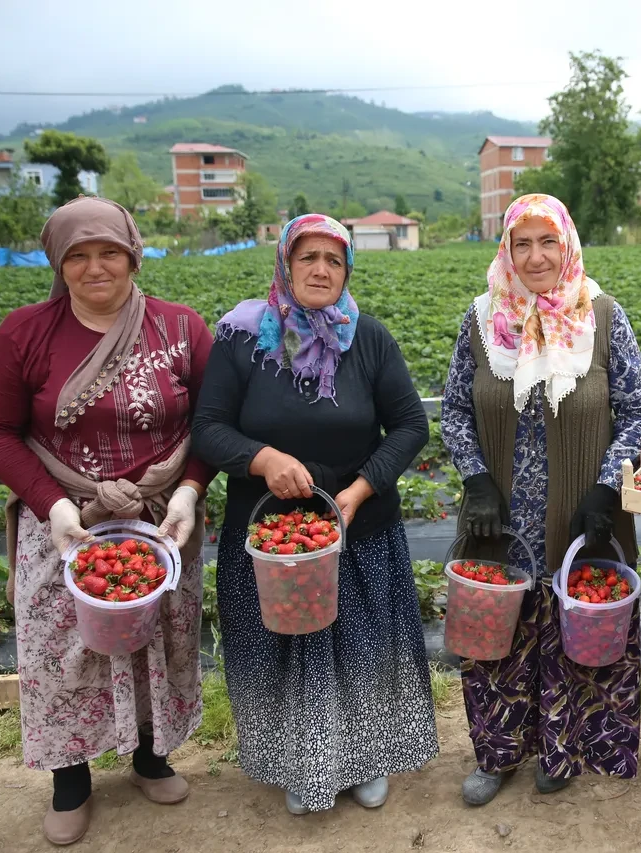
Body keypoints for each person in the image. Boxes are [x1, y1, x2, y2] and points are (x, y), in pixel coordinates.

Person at [0, 197, 213, 846]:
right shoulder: (24, 334)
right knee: (63, 650)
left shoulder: (181, 328)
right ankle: (70, 778)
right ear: (58, 263)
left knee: (160, 641)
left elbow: (211, 428)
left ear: (134, 253)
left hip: (162, 522)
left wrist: (190, 491)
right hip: (64, 521)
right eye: (76, 255)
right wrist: (50, 503)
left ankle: (150, 755)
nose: (95, 266)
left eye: (109, 251)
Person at [191, 213, 437, 815]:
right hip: (271, 534)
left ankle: (367, 757)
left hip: (358, 527)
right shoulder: (242, 340)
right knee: (285, 648)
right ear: (285, 264)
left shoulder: (368, 338)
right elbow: (208, 429)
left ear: (347, 270)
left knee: (359, 645)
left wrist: (358, 491)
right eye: (308, 258)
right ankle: (301, 765)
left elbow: (410, 426)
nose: (321, 270)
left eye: (334, 259)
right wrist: (261, 458)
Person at [441, 193, 641, 805]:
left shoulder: (604, 317)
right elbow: (455, 407)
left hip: (579, 514)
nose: (536, 257)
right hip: (499, 516)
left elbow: (637, 410)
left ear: (568, 245)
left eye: (547, 242)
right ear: (507, 250)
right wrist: (476, 478)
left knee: (578, 632)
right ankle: (497, 752)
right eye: (522, 244)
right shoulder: (481, 320)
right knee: (494, 638)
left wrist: (607, 486)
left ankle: (563, 750)